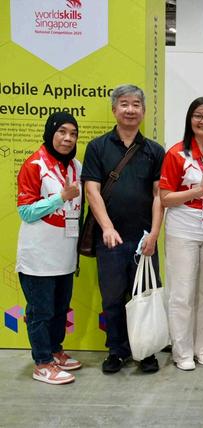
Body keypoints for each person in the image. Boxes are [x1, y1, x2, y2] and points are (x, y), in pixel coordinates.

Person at [81, 84, 165, 374]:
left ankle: (146, 351)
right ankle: (116, 350)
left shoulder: (154, 150)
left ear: (143, 110)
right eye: (124, 104)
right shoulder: (97, 147)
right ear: (114, 109)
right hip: (110, 241)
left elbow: (159, 195)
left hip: (144, 240)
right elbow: (91, 190)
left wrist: (154, 234)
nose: (130, 110)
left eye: (136, 104)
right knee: (113, 298)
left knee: (144, 295)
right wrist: (107, 227)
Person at [159, 97, 203, 371]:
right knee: (182, 293)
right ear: (190, 119)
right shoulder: (177, 154)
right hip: (183, 231)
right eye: (199, 115)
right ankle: (182, 351)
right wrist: (198, 191)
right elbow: (165, 198)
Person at [16, 112, 83, 384]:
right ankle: (42, 363)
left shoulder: (76, 166)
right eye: (62, 132)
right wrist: (60, 197)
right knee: (40, 312)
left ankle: (55, 351)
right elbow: (26, 211)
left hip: (65, 253)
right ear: (50, 133)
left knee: (59, 308)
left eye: (73, 134)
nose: (68, 138)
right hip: (39, 254)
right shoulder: (34, 164)